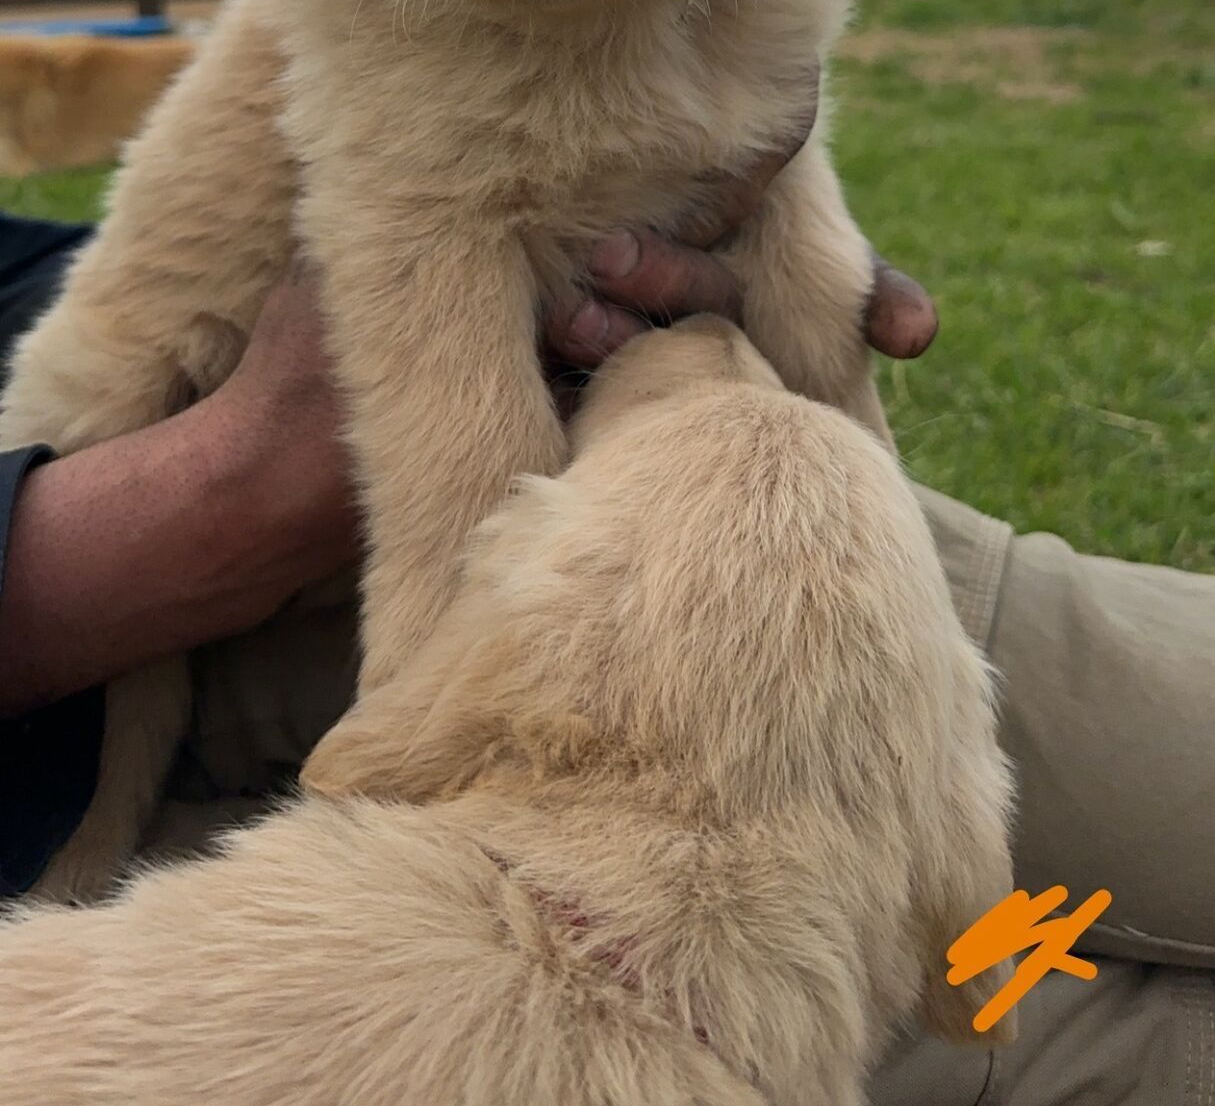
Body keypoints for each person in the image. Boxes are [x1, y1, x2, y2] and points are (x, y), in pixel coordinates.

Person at [0, 194, 1210, 1106]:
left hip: (636, 575)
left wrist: (549, 231)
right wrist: (226, 481)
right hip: (144, 603)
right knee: (1093, 1023)